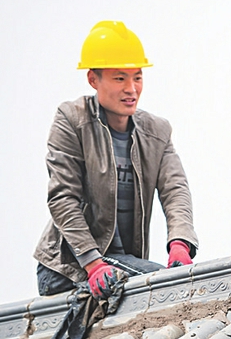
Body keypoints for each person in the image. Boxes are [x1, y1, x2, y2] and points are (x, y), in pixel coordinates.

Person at [33, 21, 198, 300]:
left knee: (176, 280)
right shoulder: (72, 120)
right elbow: (62, 198)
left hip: (125, 262)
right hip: (69, 268)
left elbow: (175, 190)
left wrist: (180, 243)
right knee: (163, 288)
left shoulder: (157, 131)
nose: (131, 88)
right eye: (120, 78)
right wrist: (93, 263)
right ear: (93, 80)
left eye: (138, 77)